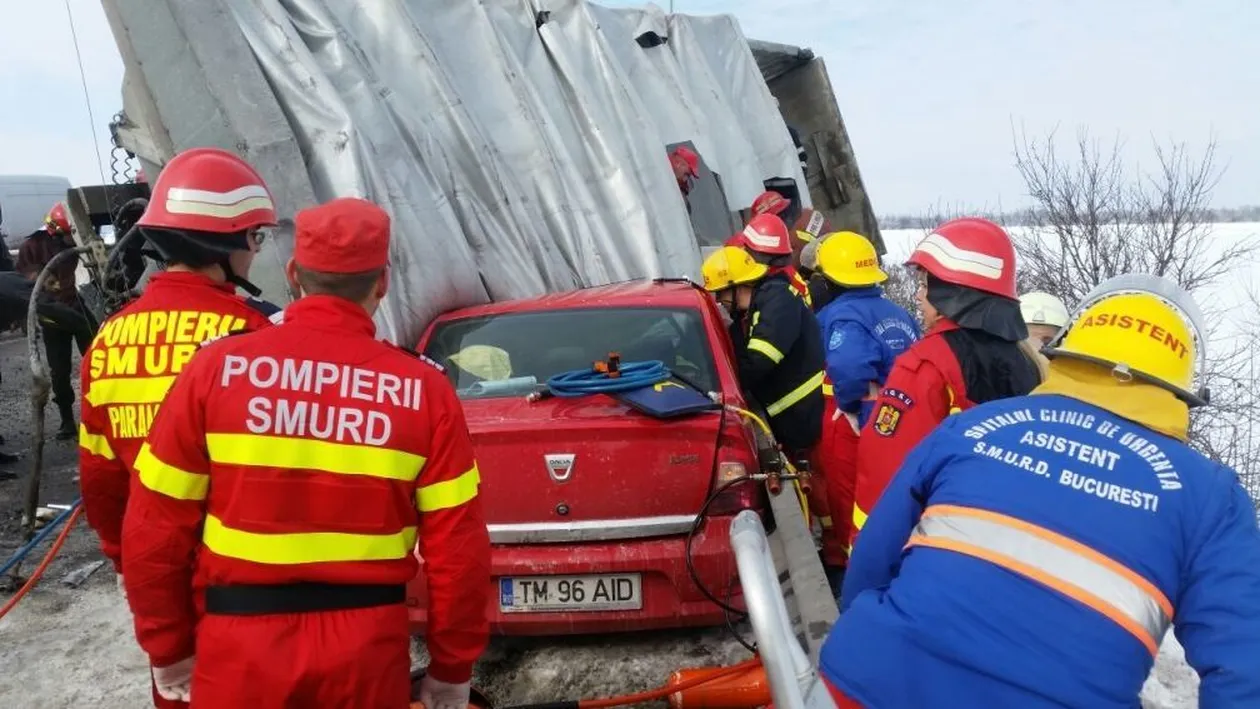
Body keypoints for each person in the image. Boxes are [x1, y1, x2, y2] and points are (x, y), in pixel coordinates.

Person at [820, 273, 1260, 708]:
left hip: (866, 682)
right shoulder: (1210, 496)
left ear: (1068, 354)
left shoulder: (971, 428)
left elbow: (872, 561)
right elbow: (1244, 667)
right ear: (1179, 391)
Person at [122, 197, 491, 708]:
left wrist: (167, 647)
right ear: (382, 282)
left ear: (294, 273)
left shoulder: (214, 370)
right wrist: (451, 669)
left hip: (237, 650)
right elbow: (460, 553)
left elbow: (153, 528)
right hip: (366, 655)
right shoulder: (424, 390)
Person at [77, 147, 281, 708]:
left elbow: (100, 481)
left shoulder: (108, 341)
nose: (255, 254)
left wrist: (131, 567)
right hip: (251, 588)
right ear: (221, 243)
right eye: (253, 239)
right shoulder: (255, 339)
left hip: (160, 584)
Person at [851, 217, 1041, 544]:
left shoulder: (926, 364)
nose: (919, 297)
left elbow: (886, 469)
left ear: (953, 292)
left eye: (926, 285)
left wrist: (869, 553)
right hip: (1014, 538)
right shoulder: (1030, 361)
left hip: (944, 540)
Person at [810, 232, 920, 594]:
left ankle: (853, 574)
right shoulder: (899, 313)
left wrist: (849, 402)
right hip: (900, 416)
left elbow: (849, 363)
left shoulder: (842, 314)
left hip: (854, 419)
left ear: (829, 278)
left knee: (849, 498)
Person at [701, 245, 824, 458]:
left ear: (736, 285)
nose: (719, 300)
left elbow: (758, 361)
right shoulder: (752, 310)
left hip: (805, 414)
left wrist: (718, 386)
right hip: (789, 418)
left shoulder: (777, 301)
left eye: (720, 292)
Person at [17, 202, 93, 439]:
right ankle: (67, 421)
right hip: (53, 317)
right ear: (56, 231)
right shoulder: (33, 247)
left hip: (78, 307)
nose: (74, 238)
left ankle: (104, 412)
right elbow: (28, 285)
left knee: (97, 359)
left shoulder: (79, 241)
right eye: (70, 234)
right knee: (59, 372)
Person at [725, 213, 813, 306]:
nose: (746, 257)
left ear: (760, 253)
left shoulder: (774, 287)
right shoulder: (783, 274)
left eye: (748, 250)